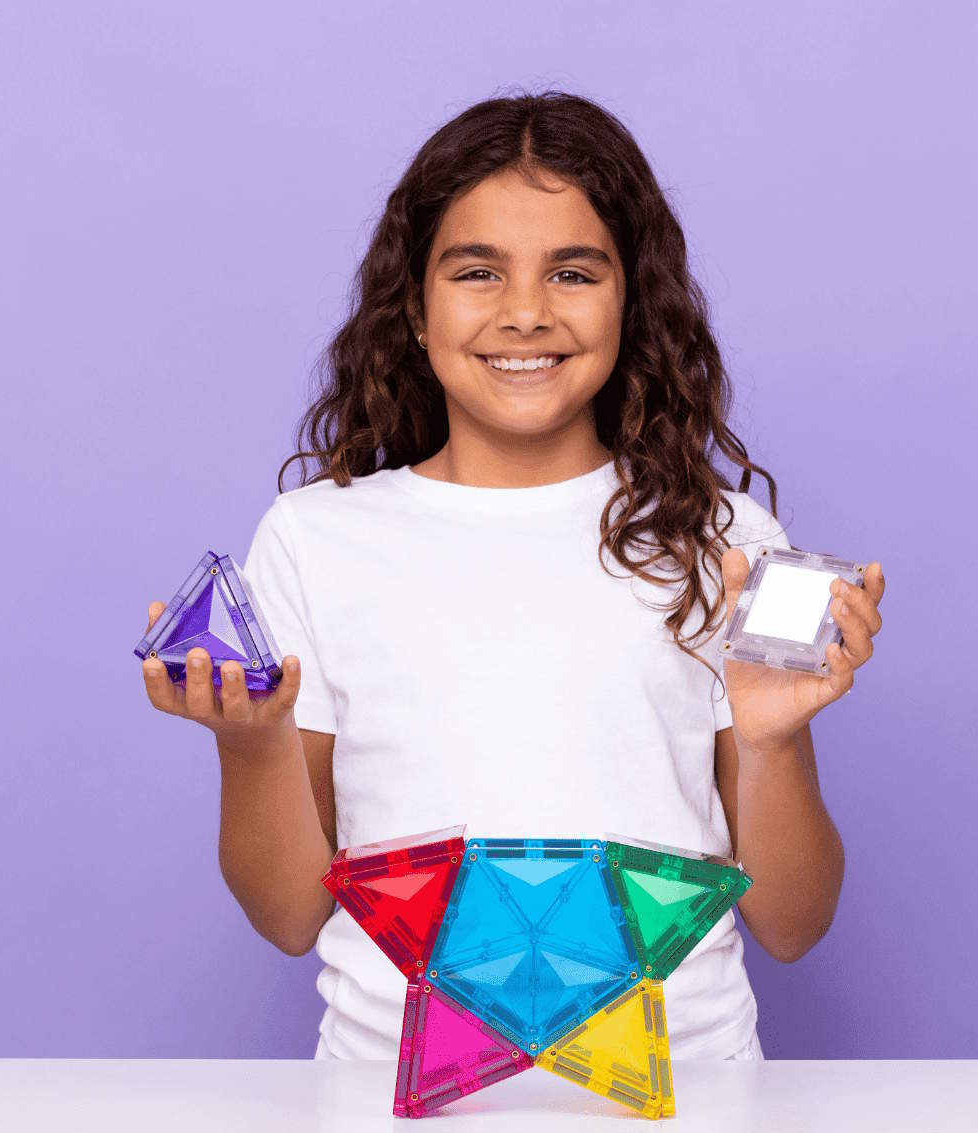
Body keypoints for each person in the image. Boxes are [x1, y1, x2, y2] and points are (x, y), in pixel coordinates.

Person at [140, 91, 885, 1065]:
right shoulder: (316, 541)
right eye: (477, 272)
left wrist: (777, 740)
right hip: (384, 1114)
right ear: (415, 306)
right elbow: (287, 917)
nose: (526, 312)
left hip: (687, 1111)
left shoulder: (728, 542)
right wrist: (251, 747)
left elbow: (795, 924)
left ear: (632, 300)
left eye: (573, 273)